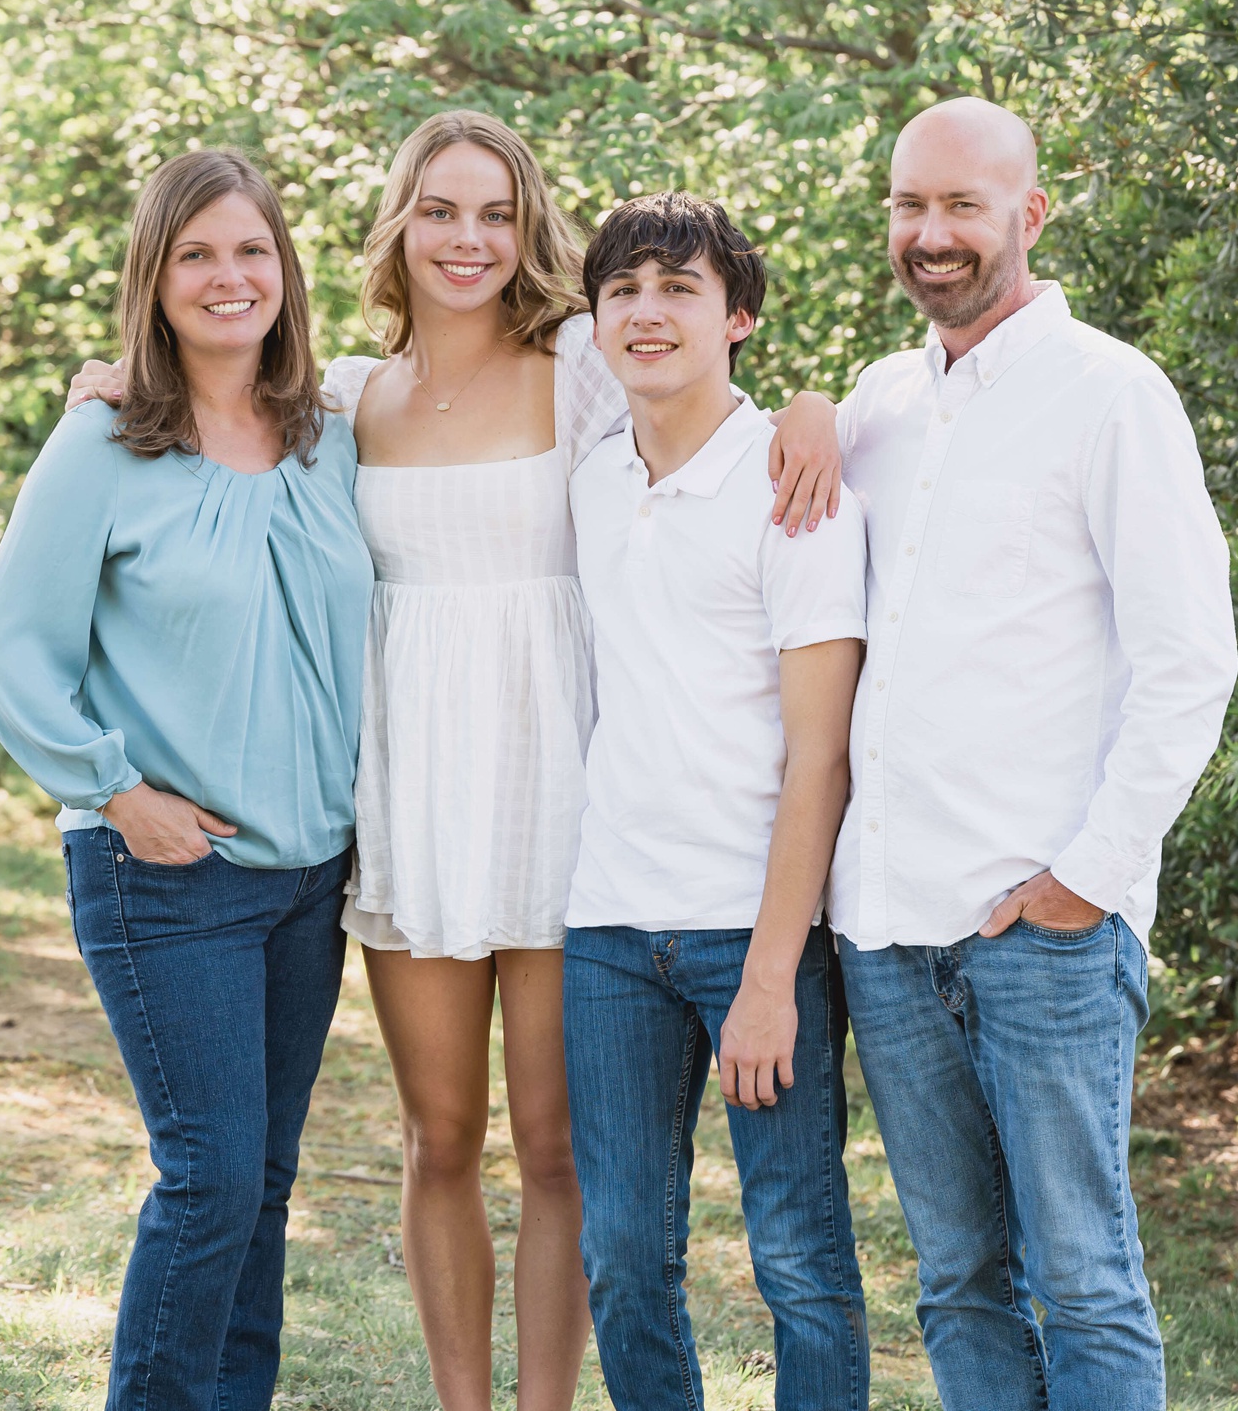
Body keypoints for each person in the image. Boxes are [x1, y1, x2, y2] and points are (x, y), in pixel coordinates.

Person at [62, 114, 844, 1411]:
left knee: (554, 1149)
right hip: (411, 798)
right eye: (439, 211)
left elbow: (721, 384)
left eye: (493, 213)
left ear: (526, 228)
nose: (467, 238)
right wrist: (104, 377)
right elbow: (195, 397)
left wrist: (817, 405)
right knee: (438, 1138)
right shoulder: (341, 394)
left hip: (559, 798)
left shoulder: (584, 362)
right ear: (399, 227)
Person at [826, 98, 1238, 1411]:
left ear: (1029, 214)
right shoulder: (877, 406)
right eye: (909, 205)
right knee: (956, 1280)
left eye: (962, 204)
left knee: (1087, 1278)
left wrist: (1088, 878)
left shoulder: (1113, 393)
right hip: (887, 930)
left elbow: (1189, 659)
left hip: (1044, 929)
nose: (931, 233)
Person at [0, 148, 375, 1411]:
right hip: (167, 875)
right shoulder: (102, 441)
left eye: (250, 249)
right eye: (195, 253)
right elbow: (3, 646)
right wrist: (113, 788)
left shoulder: (329, 438)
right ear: (153, 276)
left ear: (284, 271)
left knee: (261, 1184)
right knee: (207, 1178)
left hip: (309, 879)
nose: (226, 275)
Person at [561, 193, 871, 1411]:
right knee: (625, 1256)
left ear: (736, 317)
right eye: (623, 289)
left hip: (759, 930)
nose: (647, 312)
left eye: (678, 288)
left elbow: (821, 757)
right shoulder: (589, 480)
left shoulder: (794, 488)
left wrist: (767, 979)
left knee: (797, 1258)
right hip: (608, 927)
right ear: (592, 322)